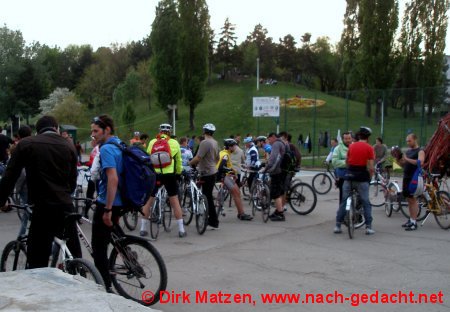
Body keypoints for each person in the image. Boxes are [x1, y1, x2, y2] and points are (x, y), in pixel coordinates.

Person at [0, 116, 81, 269]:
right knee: (73, 252)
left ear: (37, 130)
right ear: (56, 128)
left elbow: (10, 176)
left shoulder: (27, 144)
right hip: (65, 205)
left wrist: (2, 199)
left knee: (37, 259)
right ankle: (78, 270)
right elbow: (72, 181)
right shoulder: (68, 145)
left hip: (42, 206)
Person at [90, 114, 124, 292]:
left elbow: (113, 179)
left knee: (98, 249)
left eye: (96, 131)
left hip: (108, 202)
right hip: (122, 201)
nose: (93, 134)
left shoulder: (106, 149)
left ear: (107, 130)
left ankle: (106, 287)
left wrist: (107, 209)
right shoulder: (119, 144)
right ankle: (127, 254)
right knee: (112, 235)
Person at [140, 124, 186, 238]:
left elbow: (148, 158)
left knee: (149, 200)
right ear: (169, 132)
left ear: (160, 131)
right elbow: (178, 161)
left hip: (155, 174)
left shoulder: (152, 142)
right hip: (169, 175)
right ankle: (181, 229)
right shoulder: (174, 143)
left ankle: (142, 228)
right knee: (174, 200)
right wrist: (179, 172)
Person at [334, 127, 375, 235]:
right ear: (368, 137)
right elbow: (371, 167)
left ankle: (338, 225)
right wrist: (370, 177)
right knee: (366, 201)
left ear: (358, 136)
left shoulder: (351, 146)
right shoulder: (369, 148)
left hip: (349, 176)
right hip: (362, 177)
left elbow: (347, 162)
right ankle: (368, 227)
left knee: (344, 201)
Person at [189, 124, 220, 229]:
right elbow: (217, 158)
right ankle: (212, 219)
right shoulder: (215, 142)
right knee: (208, 196)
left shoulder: (205, 142)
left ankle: (213, 221)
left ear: (204, 131)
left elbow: (198, 157)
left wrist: (189, 163)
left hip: (206, 173)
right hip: (212, 171)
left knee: (207, 197)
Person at [216, 139, 253, 221]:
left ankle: (240, 213)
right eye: (234, 146)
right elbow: (221, 167)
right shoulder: (225, 155)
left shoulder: (223, 152)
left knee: (236, 192)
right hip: (222, 176)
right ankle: (241, 214)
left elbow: (227, 166)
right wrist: (230, 172)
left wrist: (233, 173)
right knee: (236, 192)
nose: (235, 147)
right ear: (230, 147)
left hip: (221, 175)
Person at [396, 133, 425, 231]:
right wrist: (398, 159)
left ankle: (414, 222)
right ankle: (411, 219)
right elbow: (403, 164)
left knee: (413, 200)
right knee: (408, 199)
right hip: (406, 177)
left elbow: (420, 162)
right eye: (407, 141)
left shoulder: (420, 151)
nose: (408, 142)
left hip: (414, 178)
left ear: (415, 140)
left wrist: (407, 159)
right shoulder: (408, 151)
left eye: (409, 140)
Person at [265, 133, 287, 221]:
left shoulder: (276, 144)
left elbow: (273, 158)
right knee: (279, 192)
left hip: (276, 172)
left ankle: (280, 214)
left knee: (275, 193)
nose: (269, 142)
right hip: (282, 171)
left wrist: (267, 167)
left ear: (273, 137)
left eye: (269, 139)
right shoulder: (282, 143)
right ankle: (278, 211)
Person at [332, 132, 353, 203]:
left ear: (352, 138)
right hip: (343, 175)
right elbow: (334, 162)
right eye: (346, 139)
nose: (348, 140)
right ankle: (342, 212)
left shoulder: (355, 147)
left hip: (355, 174)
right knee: (343, 196)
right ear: (343, 139)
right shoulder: (338, 149)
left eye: (349, 138)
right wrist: (347, 163)